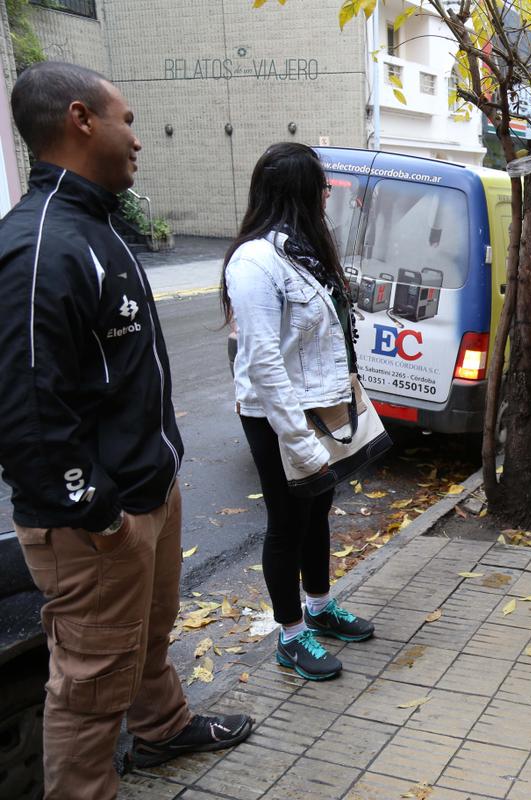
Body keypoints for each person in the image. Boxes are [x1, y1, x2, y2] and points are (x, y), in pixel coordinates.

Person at [0, 62, 252, 798]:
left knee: (144, 637)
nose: (137, 139)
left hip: (145, 492)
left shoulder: (95, 224)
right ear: (81, 120)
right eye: (128, 120)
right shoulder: (42, 247)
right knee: (87, 685)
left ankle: (162, 728)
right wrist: (101, 516)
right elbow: (26, 415)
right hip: (95, 524)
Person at [222, 143, 375, 681]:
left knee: (317, 509)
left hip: (318, 404)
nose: (327, 195)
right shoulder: (255, 260)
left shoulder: (299, 251)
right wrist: (299, 440)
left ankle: (319, 605)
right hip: (275, 412)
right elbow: (262, 358)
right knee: (286, 521)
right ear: (300, 192)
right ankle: (290, 635)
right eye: (321, 187)